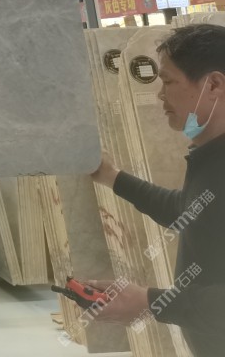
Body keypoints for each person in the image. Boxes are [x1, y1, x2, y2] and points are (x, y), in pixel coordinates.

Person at [89, 23, 225, 356]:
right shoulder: (211, 155)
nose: (160, 95)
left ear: (214, 85)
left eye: (168, 81)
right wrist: (111, 176)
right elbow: (190, 212)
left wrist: (150, 302)